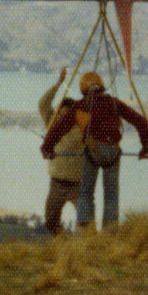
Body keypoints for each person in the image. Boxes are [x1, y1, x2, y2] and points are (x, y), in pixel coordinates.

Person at [40, 71, 148, 229]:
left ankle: (86, 227)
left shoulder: (81, 105)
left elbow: (59, 128)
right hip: (112, 152)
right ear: (101, 86)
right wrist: (145, 147)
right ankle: (110, 230)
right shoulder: (113, 102)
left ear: (83, 89)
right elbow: (140, 121)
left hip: (93, 151)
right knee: (111, 196)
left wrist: (47, 147)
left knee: (86, 194)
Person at [38, 67, 83, 236]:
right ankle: (64, 245)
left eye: (66, 115)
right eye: (59, 114)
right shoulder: (52, 122)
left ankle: (85, 247)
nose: (61, 118)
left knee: (86, 223)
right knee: (51, 222)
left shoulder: (82, 128)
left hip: (79, 183)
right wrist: (58, 84)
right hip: (57, 182)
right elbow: (43, 104)